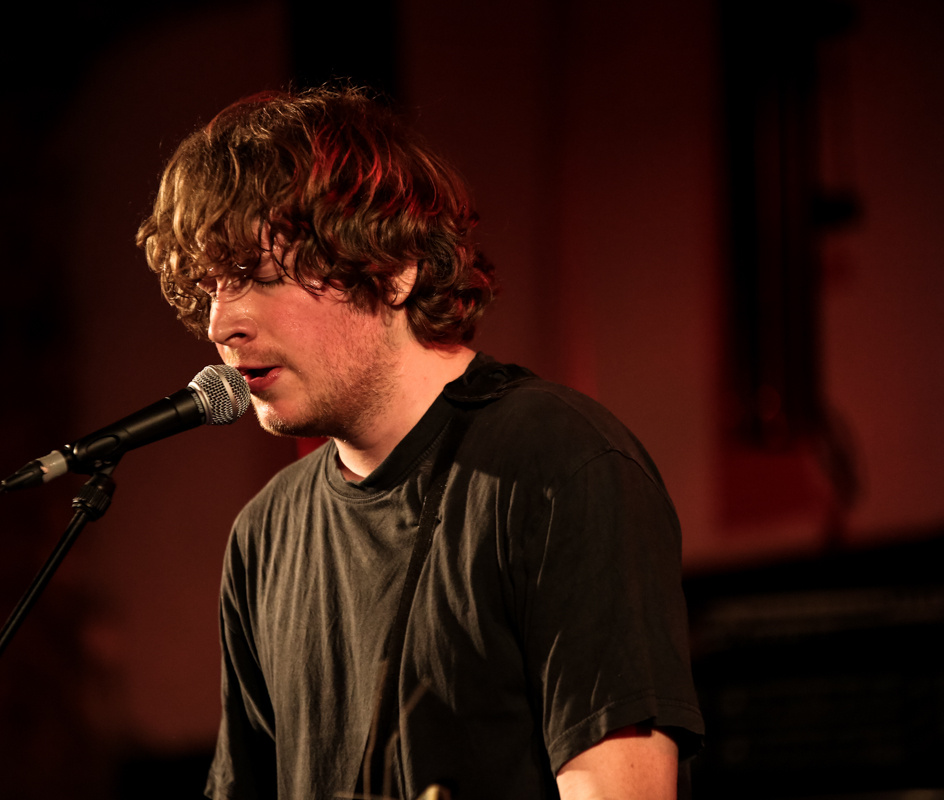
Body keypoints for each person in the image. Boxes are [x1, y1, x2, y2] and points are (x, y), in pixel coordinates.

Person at [137, 86, 704, 800]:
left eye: (258, 276)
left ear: (393, 269)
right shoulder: (264, 534)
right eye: (212, 285)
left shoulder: (561, 464)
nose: (221, 324)